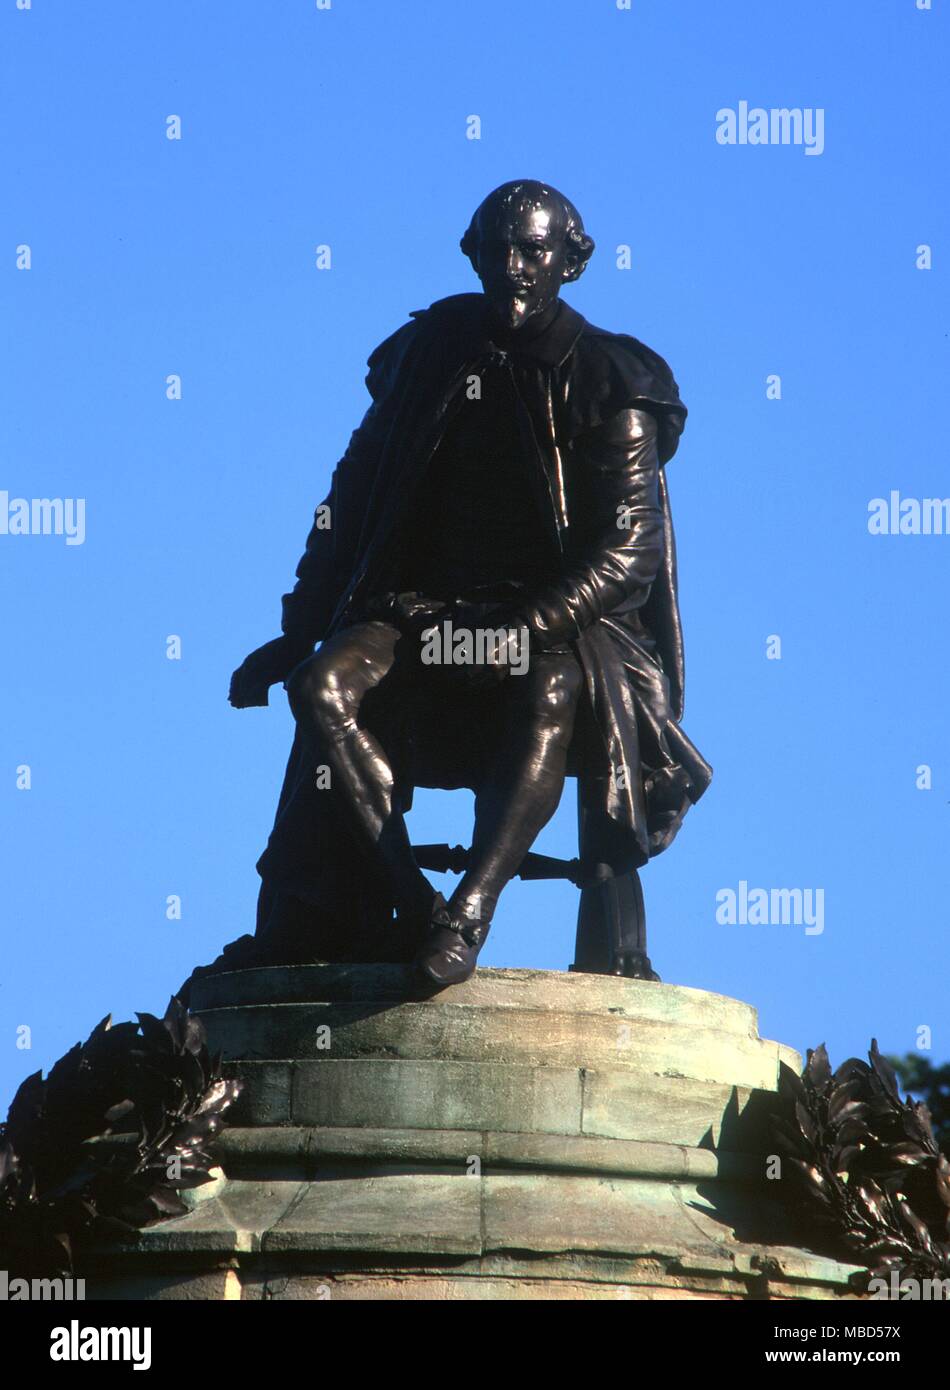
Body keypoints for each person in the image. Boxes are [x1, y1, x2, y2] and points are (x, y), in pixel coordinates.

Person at [229, 180, 711, 987]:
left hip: (564, 629)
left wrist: (523, 628)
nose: (514, 268)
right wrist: (300, 625)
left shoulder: (612, 379)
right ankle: (411, 903)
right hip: (420, 613)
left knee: (550, 688)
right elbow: (351, 496)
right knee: (320, 688)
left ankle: (469, 912)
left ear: (572, 260)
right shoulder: (430, 350)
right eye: (498, 251)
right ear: (474, 255)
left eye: (534, 251)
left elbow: (629, 551)